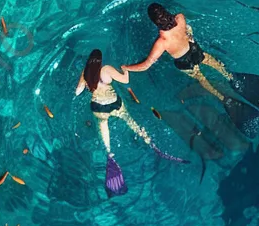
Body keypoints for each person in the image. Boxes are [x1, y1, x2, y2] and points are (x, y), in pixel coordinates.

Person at [123, 3, 259, 135]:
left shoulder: (162, 42)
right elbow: (188, 30)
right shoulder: (179, 18)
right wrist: (188, 37)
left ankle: (222, 98)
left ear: (154, 22)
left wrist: (127, 67)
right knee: (215, 64)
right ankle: (231, 77)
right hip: (196, 50)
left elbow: (146, 65)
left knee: (201, 78)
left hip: (185, 63)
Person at [75, 48, 184, 196]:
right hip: (114, 103)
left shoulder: (85, 73)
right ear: (100, 61)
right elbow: (125, 80)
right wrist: (125, 69)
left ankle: (109, 155)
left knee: (104, 132)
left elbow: (78, 92)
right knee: (131, 122)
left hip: (98, 107)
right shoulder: (106, 69)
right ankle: (151, 144)